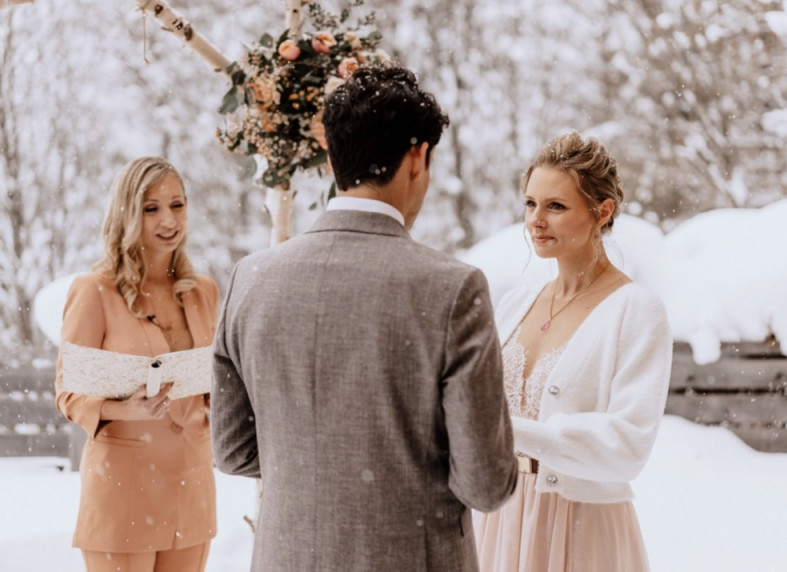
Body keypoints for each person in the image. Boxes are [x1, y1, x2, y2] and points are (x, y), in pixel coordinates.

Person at [211, 65, 518, 571]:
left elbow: (233, 450)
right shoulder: (452, 289)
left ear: (333, 157)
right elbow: (485, 483)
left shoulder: (252, 279)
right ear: (418, 158)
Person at [473, 132, 672, 571]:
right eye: (530, 203)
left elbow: (626, 446)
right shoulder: (515, 303)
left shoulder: (636, 310)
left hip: (581, 524)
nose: (536, 220)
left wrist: (507, 430)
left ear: (603, 212)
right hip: (500, 519)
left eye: (556, 206)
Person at [54, 157, 220, 571]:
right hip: (124, 489)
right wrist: (126, 409)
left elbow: (214, 382)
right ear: (127, 213)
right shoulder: (94, 291)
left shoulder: (203, 292)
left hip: (191, 487)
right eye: (151, 208)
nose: (169, 220)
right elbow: (68, 394)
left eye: (177, 205)